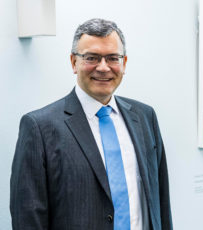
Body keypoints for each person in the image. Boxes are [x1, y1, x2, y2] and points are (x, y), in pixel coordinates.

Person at [10, 18, 172, 230]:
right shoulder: (39, 128)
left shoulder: (145, 117)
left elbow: (160, 202)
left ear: (124, 63)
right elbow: (28, 217)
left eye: (113, 58)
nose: (103, 68)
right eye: (91, 58)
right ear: (73, 62)